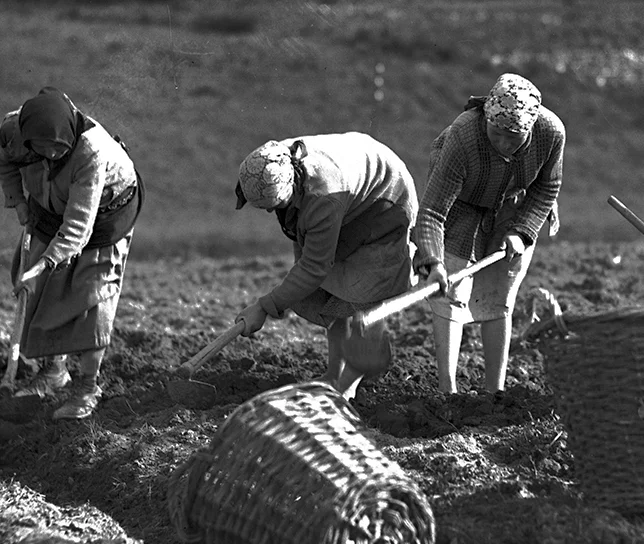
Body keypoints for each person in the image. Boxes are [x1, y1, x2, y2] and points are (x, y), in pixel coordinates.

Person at [0, 86, 142, 420]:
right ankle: (54, 371)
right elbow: (1, 160)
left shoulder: (91, 153)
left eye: (59, 150)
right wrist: (17, 201)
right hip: (49, 204)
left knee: (92, 294)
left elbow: (78, 227)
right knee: (33, 287)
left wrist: (46, 262)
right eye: (43, 151)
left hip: (104, 213)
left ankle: (87, 387)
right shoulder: (13, 131)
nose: (53, 156)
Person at [232, 132, 417, 399]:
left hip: (384, 201)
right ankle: (334, 373)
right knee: (329, 296)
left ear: (292, 186)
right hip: (352, 193)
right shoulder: (270, 161)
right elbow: (304, 245)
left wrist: (264, 307)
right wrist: (289, 290)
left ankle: (349, 383)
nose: (270, 213)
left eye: (274, 206)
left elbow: (314, 267)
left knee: (363, 297)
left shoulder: (323, 197)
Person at [412, 72, 564, 393]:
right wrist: (433, 262)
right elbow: (433, 210)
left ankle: (495, 391)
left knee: (499, 296)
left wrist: (522, 231)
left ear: (531, 128)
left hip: (513, 206)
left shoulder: (551, 134)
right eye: (497, 134)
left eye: (514, 137)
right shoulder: (462, 138)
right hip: (462, 206)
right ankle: (447, 390)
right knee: (451, 293)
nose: (504, 144)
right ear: (485, 119)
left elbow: (547, 187)